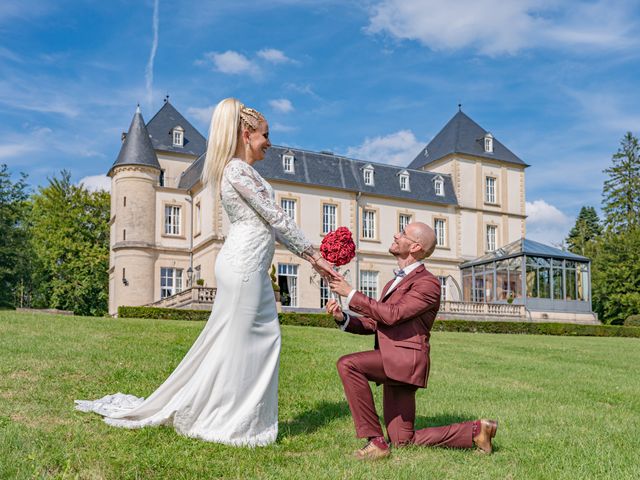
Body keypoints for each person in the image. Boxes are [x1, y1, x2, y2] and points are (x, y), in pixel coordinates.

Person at [76, 98, 337, 446]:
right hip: (243, 264)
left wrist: (309, 254)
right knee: (253, 342)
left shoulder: (242, 171)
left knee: (245, 341)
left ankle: (235, 416)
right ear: (247, 133)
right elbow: (275, 216)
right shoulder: (236, 170)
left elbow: (271, 222)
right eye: (265, 135)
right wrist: (313, 253)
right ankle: (234, 422)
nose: (269, 143)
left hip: (249, 264)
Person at [326, 221, 498, 459]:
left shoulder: (427, 283)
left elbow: (393, 315)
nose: (396, 234)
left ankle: (375, 441)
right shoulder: (394, 282)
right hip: (395, 361)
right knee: (403, 441)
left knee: (349, 364)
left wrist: (352, 293)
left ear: (415, 246)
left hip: (405, 361)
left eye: (403, 233)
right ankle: (477, 431)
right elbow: (377, 322)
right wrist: (343, 318)